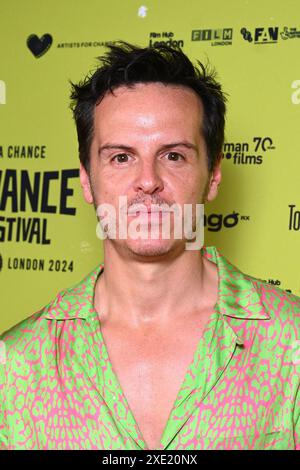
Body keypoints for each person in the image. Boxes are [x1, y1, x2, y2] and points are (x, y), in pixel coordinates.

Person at [0, 42, 299, 451]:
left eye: (173, 156)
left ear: (212, 175)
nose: (148, 181)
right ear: (86, 180)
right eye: (121, 158)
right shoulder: (15, 365)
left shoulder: (292, 344)